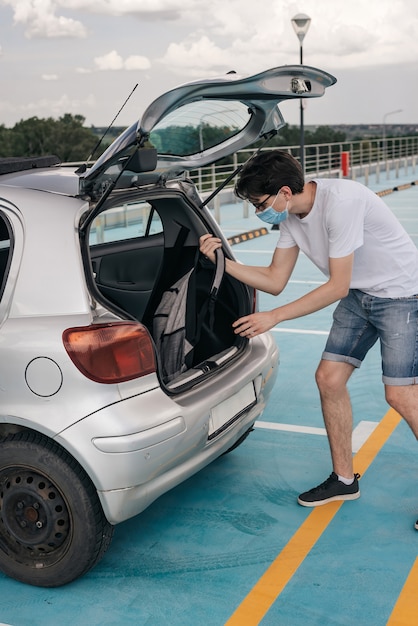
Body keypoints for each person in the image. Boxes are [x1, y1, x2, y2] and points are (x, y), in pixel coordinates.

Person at [199, 150, 418, 528]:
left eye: (260, 203)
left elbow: (336, 285)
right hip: (359, 297)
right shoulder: (291, 218)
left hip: (399, 294)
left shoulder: (342, 203)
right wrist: (222, 261)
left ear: (285, 192)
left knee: (400, 395)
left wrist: (274, 317)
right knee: (328, 379)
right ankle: (344, 480)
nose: (258, 212)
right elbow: (275, 280)